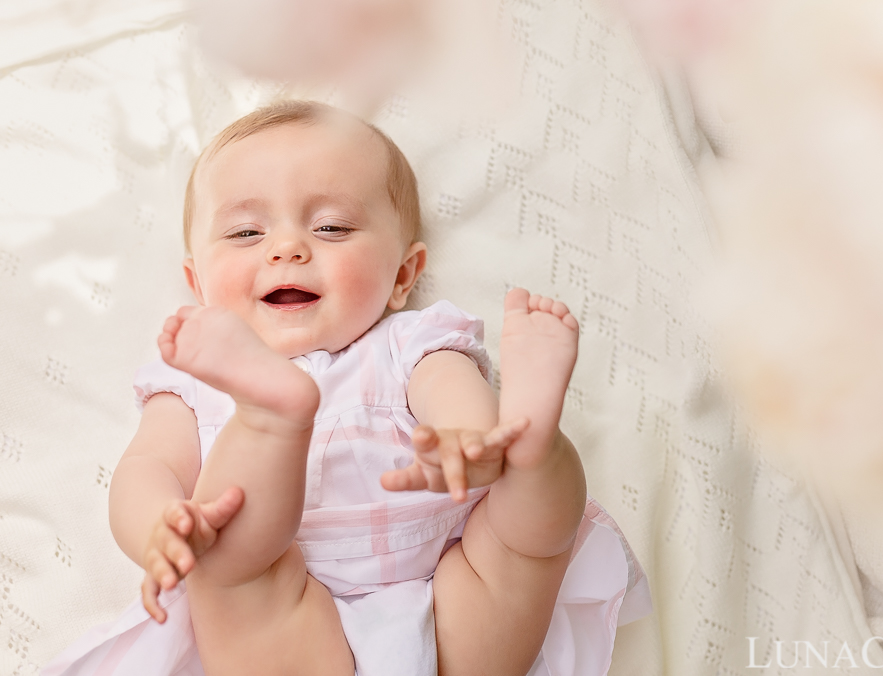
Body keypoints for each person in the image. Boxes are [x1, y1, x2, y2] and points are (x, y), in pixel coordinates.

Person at [44, 100, 649, 676]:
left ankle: (534, 443)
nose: (287, 248)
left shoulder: (407, 340)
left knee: (528, 535)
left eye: (332, 227)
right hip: (287, 592)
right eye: (246, 233)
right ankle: (268, 419)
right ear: (196, 282)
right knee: (228, 563)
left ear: (403, 275)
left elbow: (449, 384)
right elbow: (147, 465)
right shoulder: (195, 370)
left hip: (441, 576)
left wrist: (469, 436)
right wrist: (159, 526)